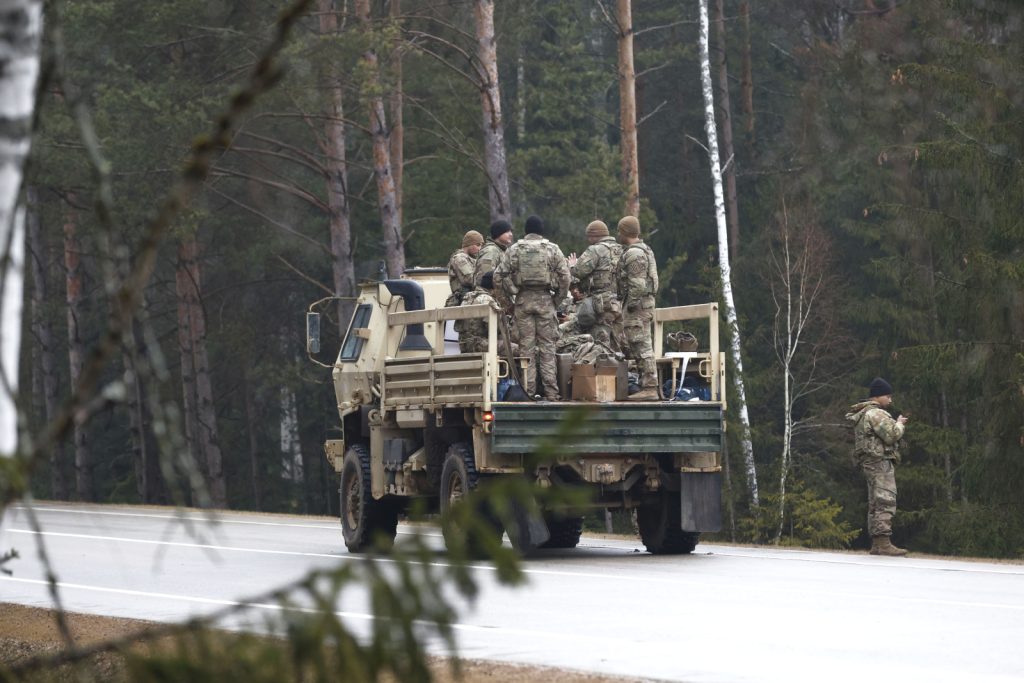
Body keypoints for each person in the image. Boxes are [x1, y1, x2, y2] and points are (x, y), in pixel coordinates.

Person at [495, 215, 570, 401]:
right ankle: (552, 392)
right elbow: (565, 277)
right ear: (541, 230)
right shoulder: (552, 249)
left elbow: (498, 276)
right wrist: (557, 300)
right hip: (546, 301)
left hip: (523, 302)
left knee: (526, 349)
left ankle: (527, 392)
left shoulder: (514, 250)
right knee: (548, 348)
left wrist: (507, 303)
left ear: (526, 231)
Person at [846, 377, 909, 557]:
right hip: (879, 461)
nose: (890, 400)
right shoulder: (876, 414)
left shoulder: (864, 413)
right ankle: (883, 542)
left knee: (875, 501)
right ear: (878, 396)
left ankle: (877, 543)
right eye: (888, 396)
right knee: (885, 499)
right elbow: (891, 435)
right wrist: (899, 424)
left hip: (869, 462)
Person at [614, 216, 659, 401]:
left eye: (620, 231)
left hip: (638, 307)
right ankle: (646, 385)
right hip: (641, 305)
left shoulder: (635, 254)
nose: (618, 234)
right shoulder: (642, 250)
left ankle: (650, 387)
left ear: (625, 232)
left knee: (642, 345)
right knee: (638, 344)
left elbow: (638, 285)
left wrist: (631, 305)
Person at [567, 220, 623, 351]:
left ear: (594, 235)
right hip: (619, 304)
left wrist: (572, 265)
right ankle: (620, 371)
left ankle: (603, 371)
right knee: (617, 345)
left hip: (601, 305)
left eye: (588, 236)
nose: (587, 240)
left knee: (600, 346)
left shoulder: (595, 250)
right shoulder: (621, 249)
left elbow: (579, 271)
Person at [455, 271, 517, 355]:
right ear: (494, 286)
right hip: (479, 345)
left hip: (465, 345)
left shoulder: (468, 297)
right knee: (519, 350)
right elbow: (497, 329)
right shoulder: (488, 300)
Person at [475, 220, 514, 310]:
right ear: (498, 233)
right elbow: (484, 280)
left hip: (499, 302)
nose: (511, 234)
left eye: (511, 231)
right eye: (507, 231)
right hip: (491, 303)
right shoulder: (491, 251)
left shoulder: (502, 251)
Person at [446, 230, 483, 306]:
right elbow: (469, 279)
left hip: (471, 299)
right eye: (478, 245)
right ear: (469, 244)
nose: (480, 248)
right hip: (462, 302)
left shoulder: (473, 259)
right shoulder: (460, 258)